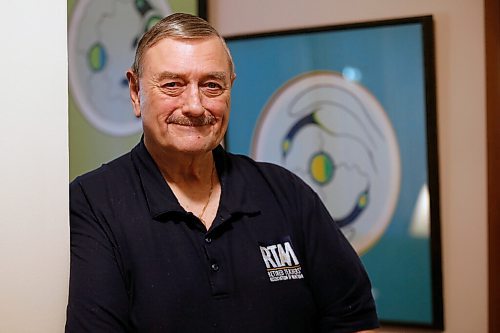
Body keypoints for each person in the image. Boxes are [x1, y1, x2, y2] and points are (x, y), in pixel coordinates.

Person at [65, 12, 379, 333]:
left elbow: (353, 319)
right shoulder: (93, 204)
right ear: (135, 92)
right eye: (173, 85)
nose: (195, 106)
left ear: (230, 89)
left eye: (212, 85)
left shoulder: (287, 194)